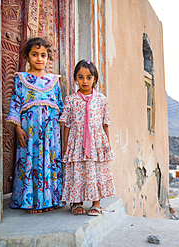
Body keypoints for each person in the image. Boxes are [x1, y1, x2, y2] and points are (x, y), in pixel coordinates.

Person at [6, 37, 64, 214]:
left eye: (43, 55)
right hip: (29, 132)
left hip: (50, 133)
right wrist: (17, 128)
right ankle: (31, 201)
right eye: (35, 55)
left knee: (49, 161)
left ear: (48, 58)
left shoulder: (54, 81)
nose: (39, 59)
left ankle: (49, 200)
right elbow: (16, 103)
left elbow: (60, 106)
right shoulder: (21, 79)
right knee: (31, 161)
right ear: (27, 56)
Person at [59, 59, 115, 216]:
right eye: (81, 77)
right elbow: (67, 125)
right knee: (78, 170)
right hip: (76, 142)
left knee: (96, 170)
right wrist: (66, 145)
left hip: (97, 142)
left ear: (95, 79)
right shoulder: (71, 100)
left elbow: (105, 124)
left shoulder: (102, 100)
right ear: (75, 78)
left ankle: (96, 203)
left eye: (89, 77)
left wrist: (107, 144)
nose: (85, 81)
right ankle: (76, 202)